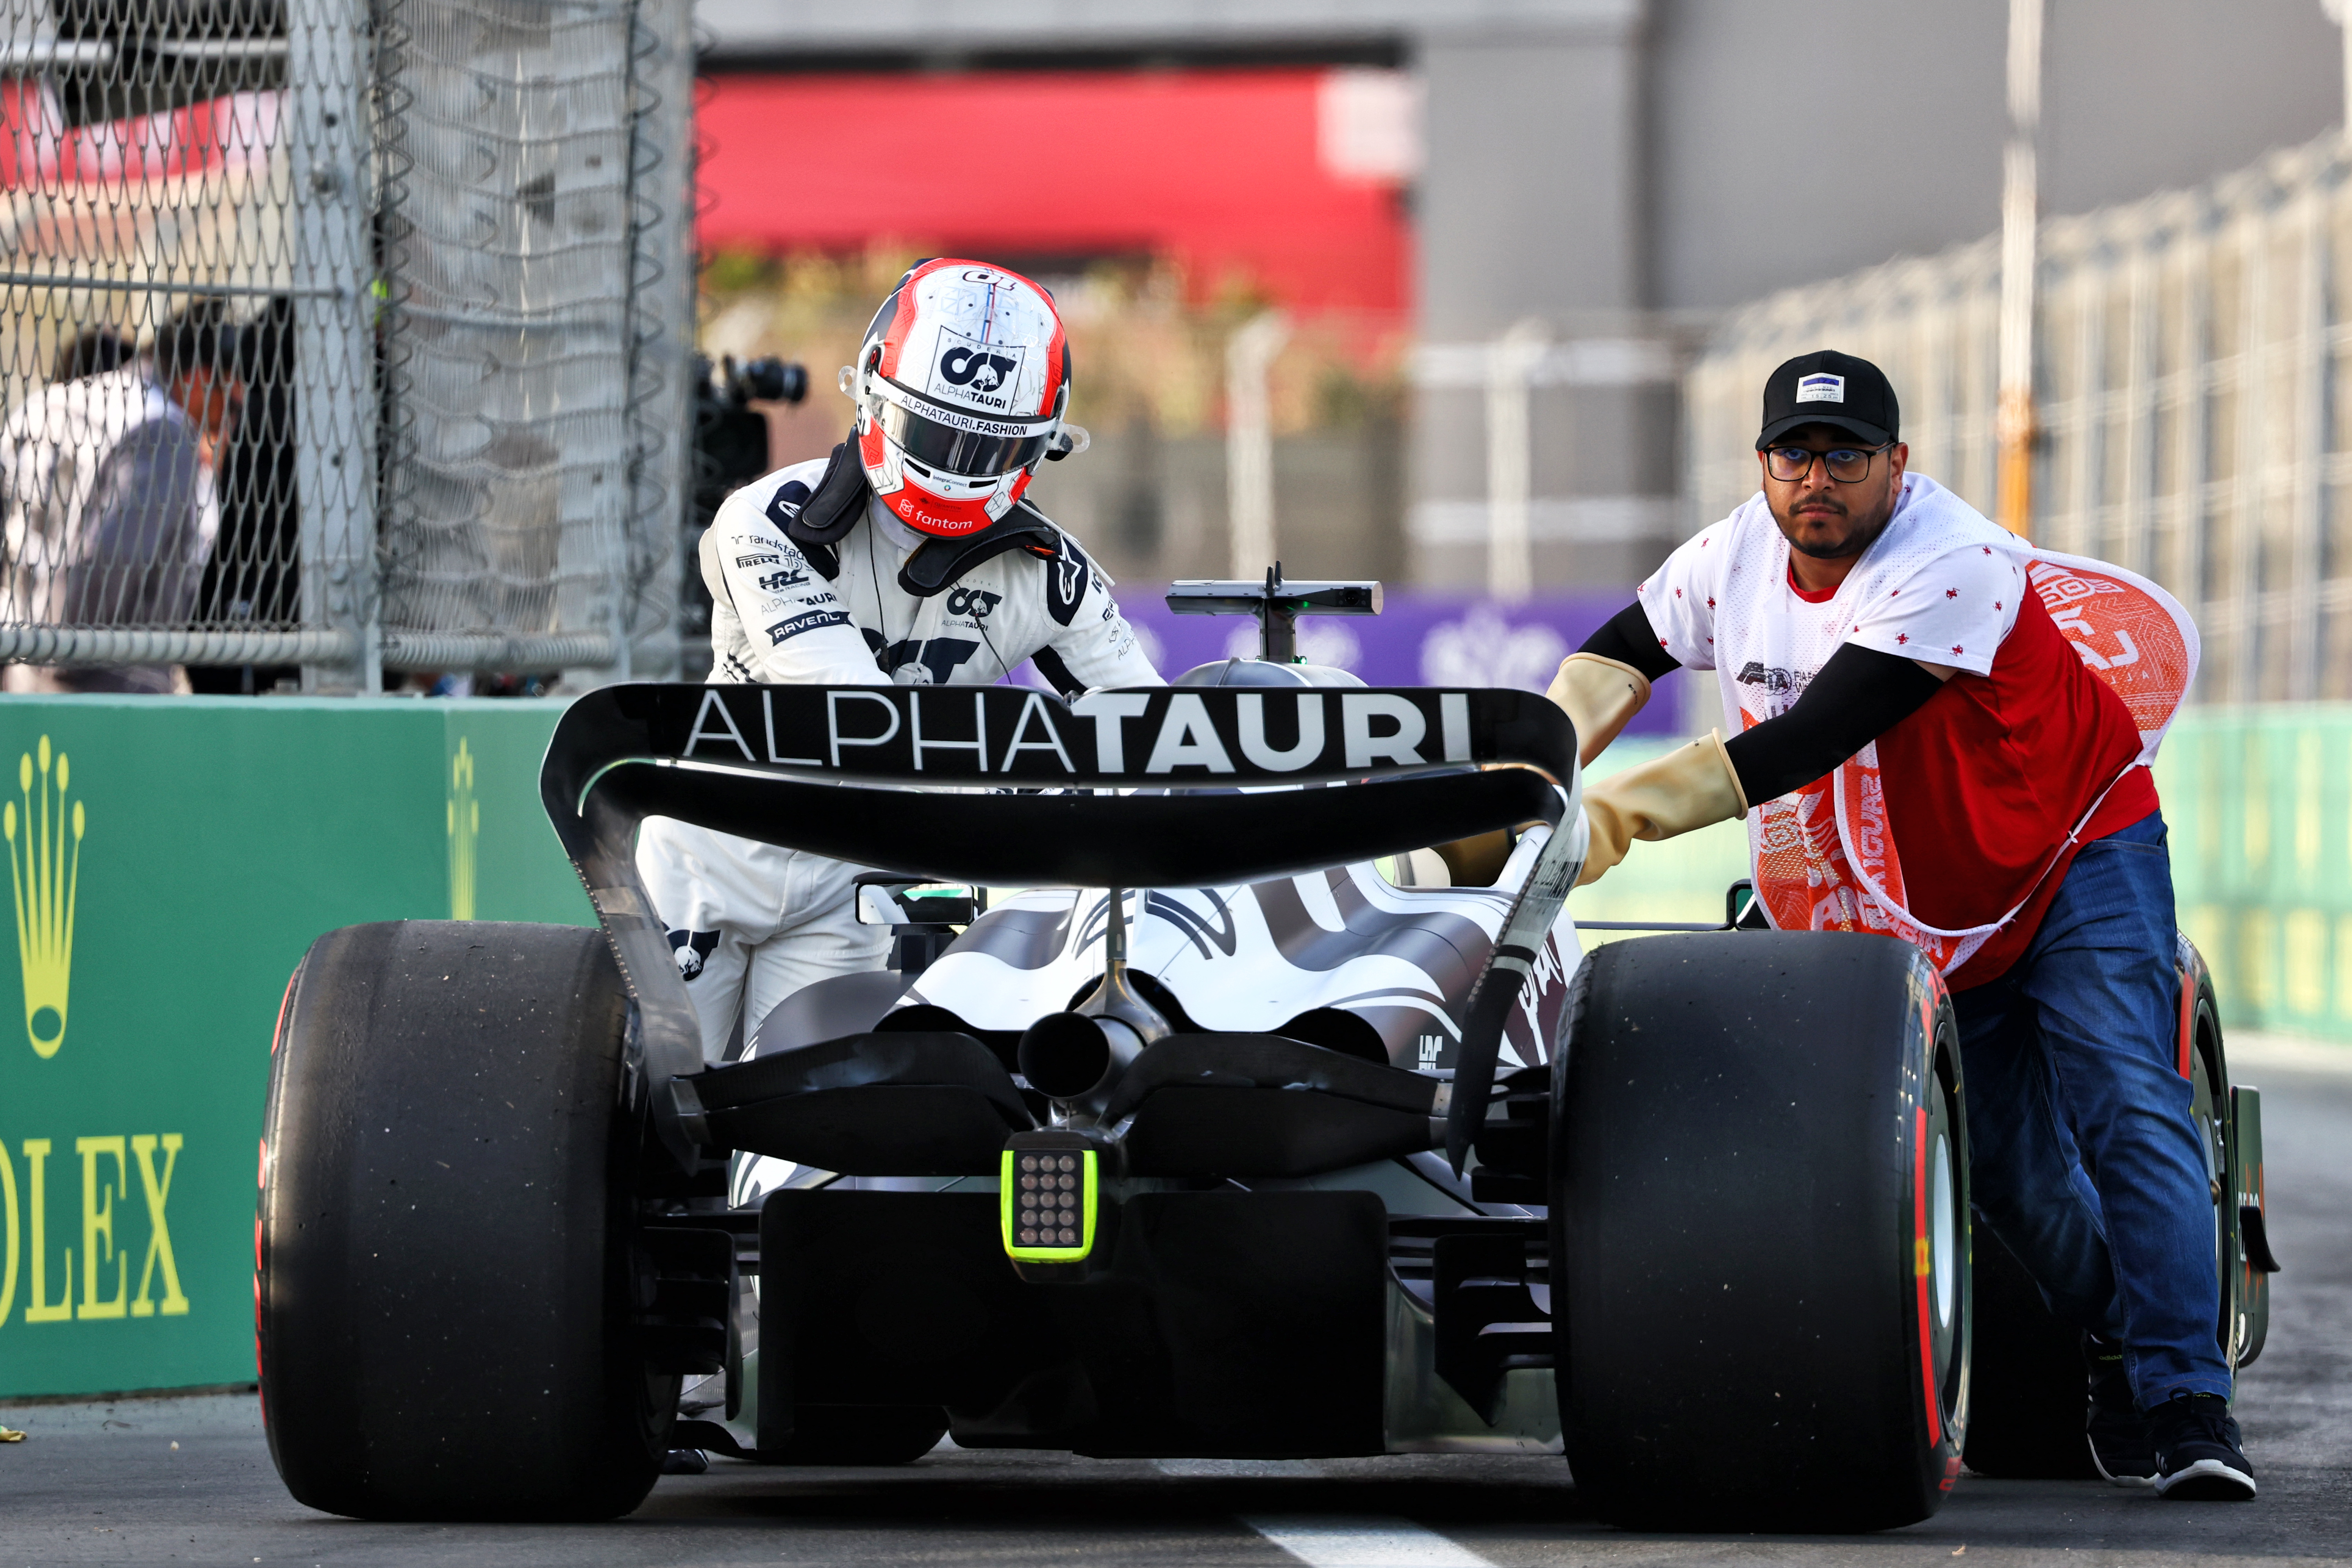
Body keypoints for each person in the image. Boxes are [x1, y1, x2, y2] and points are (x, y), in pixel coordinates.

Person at [1550, 350, 2254, 1501]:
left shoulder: (1952, 562)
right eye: (1792, 454)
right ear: (1763, 464)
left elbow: (1804, 740)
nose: (1813, 479)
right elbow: (1618, 653)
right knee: (2016, 1185)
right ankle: (2130, 1335)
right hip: (1934, 897)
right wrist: (1533, 771)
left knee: (2124, 1097)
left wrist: (1610, 817)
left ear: (1896, 466)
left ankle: (2187, 1404)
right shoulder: (1733, 552)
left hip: (2078, 847)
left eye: (1844, 456)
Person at [639, 258, 1161, 1064]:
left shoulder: (1052, 575)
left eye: (985, 444)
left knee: (805, 1124)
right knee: (659, 1113)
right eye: (935, 431)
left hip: (853, 885)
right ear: (874, 393)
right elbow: (854, 710)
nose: (953, 464)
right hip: (711, 856)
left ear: (1041, 444)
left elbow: (1161, 739)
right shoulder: (765, 519)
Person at [0, 306, 222, 694]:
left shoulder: (45, 404)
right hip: (108, 682)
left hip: (17, 662)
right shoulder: (161, 431)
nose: (228, 427)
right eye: (230, 407)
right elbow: (112, 565)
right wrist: (68, 649)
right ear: (201, 380)